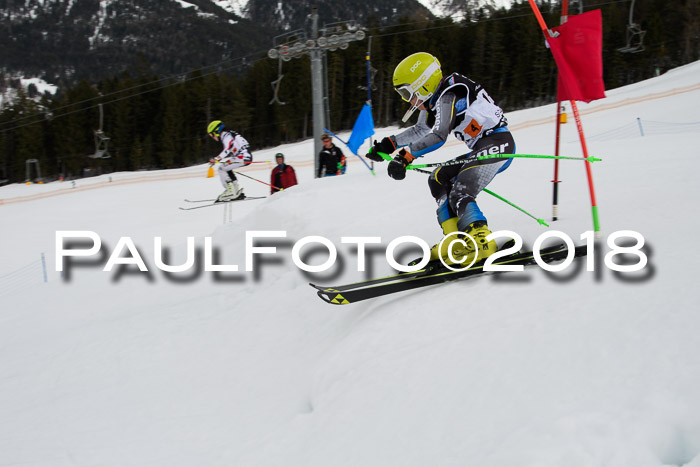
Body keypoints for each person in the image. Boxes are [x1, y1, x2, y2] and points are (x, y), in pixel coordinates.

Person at [365, 52, 515, 266]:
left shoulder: (447, 96)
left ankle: (482, 241)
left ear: (423, 84)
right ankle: (456, 240)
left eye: (408, 93)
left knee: (462, 191)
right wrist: (389, 144)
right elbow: (420, 129)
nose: (408, 100)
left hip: (498, 143)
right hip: (482, 147)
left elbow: (438, 135)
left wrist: (406, 157)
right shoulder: (436, 101)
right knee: (437, 178)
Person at [207, 120, 253, 202]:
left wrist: (216, 159)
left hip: (242, 156)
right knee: (226, 167)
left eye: (211, 134)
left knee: (221, 168)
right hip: (244, 155)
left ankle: (230, 191)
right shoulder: (230, 134)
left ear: (217, 131)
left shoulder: (226, 136)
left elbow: (227, 149)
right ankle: (235, 190)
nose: (212, 137)